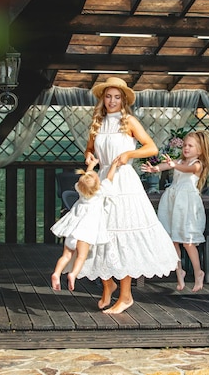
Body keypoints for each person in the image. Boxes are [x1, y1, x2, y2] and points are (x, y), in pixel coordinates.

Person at [77, 77, 179, 314]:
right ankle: (107, 284)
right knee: (96, 232)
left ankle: (126, 296)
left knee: (123, 235)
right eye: (108, 96)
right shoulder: (97, 122)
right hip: (102, 180)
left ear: (123, 100)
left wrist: (129, 155)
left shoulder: (129, 121)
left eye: (117, 97)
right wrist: (89, 157)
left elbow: (151, 147)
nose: (112, 101)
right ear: (103, 98)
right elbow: (90, 149)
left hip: (124, 181)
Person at [141, 131, 209, 292]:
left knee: (187, 241)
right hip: (173, 202)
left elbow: (186, 169)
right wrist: (154, 169)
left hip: (186, 204)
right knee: (172, 239)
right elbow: (166, 165)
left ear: (200, 150)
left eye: (190, 146)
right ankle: (179, 273)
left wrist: (174, 165)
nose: (186, 148)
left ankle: (198, 272)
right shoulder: (179, 160)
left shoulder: (197, 164)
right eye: (185, 145)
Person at [50, 156, 119, 291]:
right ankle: (73, 274)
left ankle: (56, 273)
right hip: (84, 234)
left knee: (66, 256)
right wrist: (113, 166)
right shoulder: (100, 192)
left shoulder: (80, 189)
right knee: (81, 257)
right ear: (98, 183)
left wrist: (91, 166)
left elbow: (85, 180)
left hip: (71, 232)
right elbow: (109, 179)